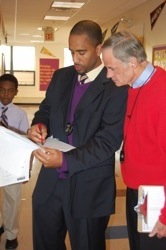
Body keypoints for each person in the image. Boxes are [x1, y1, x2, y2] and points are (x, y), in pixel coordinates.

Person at [27, 20, 128, 250]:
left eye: (81, 52)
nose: (75, 59)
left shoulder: (117, 86)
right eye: (71, 52)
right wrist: (39, 125)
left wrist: (65, 160)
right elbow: (46, 110)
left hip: (89, 186)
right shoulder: (61, 77)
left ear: (99, 49)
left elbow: (108, 141)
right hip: (50, 184)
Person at [101, 31, 166, 250]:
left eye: (112, 68)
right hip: (136, 190)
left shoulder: (162, 92)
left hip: (158, 197)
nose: (108, 75)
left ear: (132, 63)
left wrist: (165, 216)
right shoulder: (134, 86)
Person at [0, 73, 29, 249]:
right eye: (2, 90)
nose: (5, 94)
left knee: (12, 199)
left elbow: (26, 142)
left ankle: (11, 234)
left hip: (11, 163)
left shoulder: (20, 114)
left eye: (10, 91)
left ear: (16, 92)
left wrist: (26, 169)